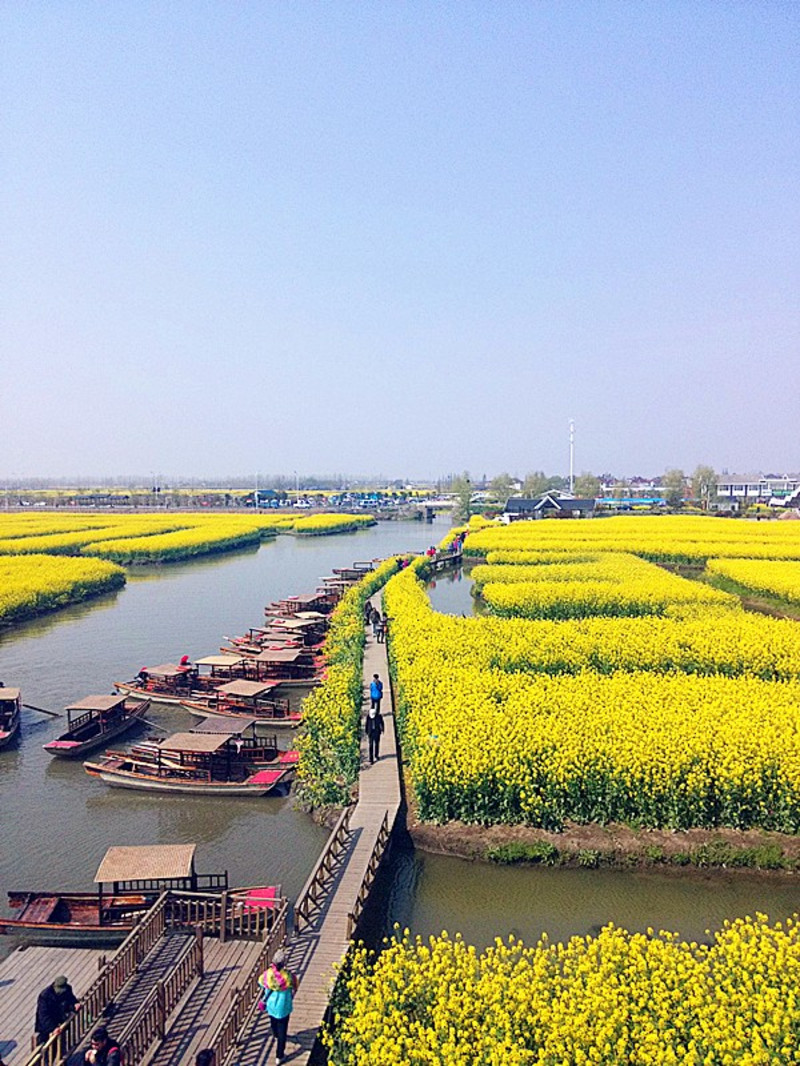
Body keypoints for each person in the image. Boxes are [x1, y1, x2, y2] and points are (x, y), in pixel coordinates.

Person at [258, 948, 298, 1065]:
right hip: (283, 1006)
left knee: (273, 1021)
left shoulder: (268, 974)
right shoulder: (288, 976)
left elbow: (261, 982)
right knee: (283, 1031)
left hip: (271, 1005)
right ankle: (279, 1056)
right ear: (284, 963)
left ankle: (275, 1034)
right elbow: (295, 985)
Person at [35, 975, 79, 1045]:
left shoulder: (67, 989)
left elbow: (71, 999)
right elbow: (43, 1015)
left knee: (61, 1043)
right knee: (46, 1045)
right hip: (47, 1026)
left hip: (60, 1020)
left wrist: (75, 1004)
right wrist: (52, 1028)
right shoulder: (45, 996)